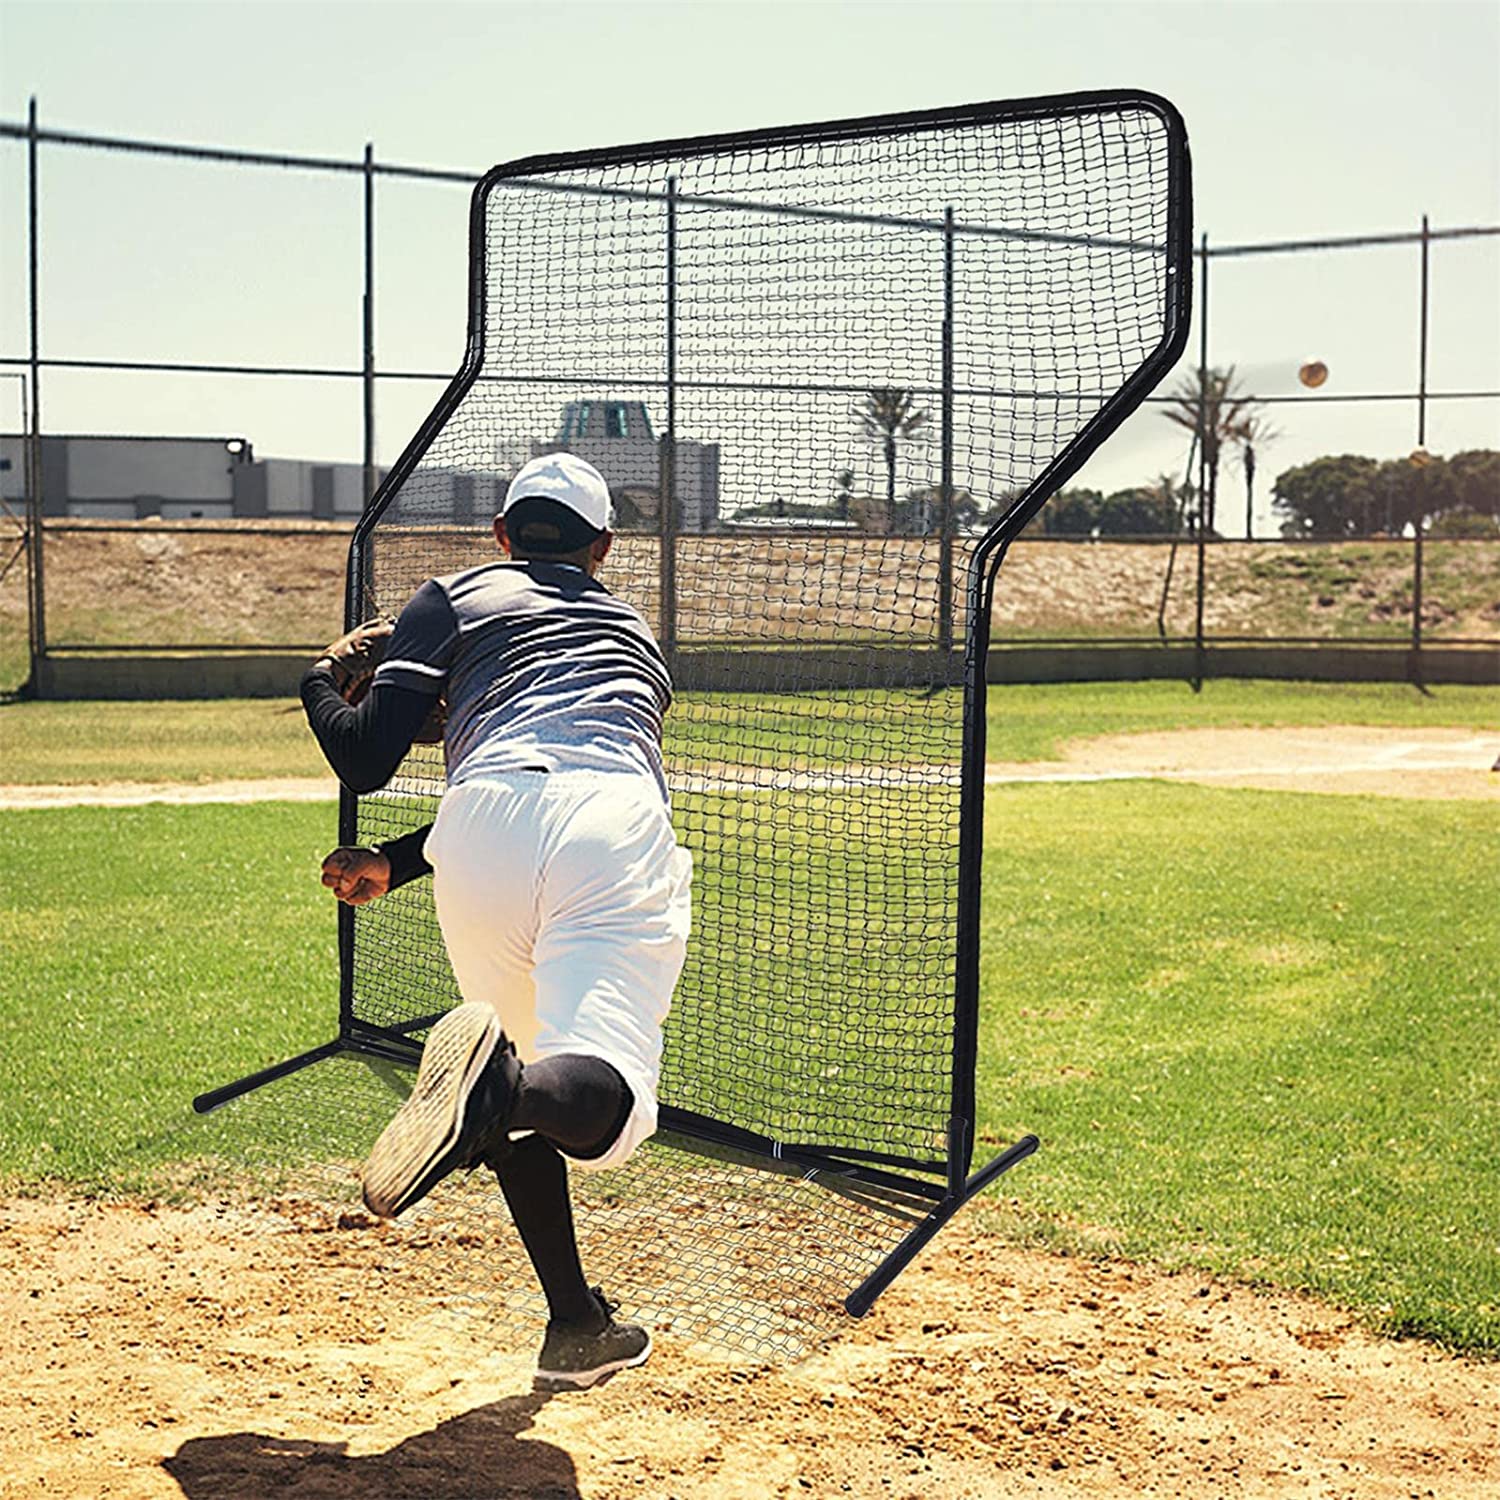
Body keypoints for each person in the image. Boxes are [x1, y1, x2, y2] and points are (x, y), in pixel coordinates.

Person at [300, 452, 692, 1391]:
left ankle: (576, 1325)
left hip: (479, 828)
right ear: (601, 547)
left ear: (502, 534)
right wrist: (400, 853)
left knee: (512, 1061)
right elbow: (566, 764)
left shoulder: (449, 600)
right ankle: (500, 1098)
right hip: (610, 823)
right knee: (600, 1096)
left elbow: (367, 758)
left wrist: (322, 680)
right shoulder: (636, 632)